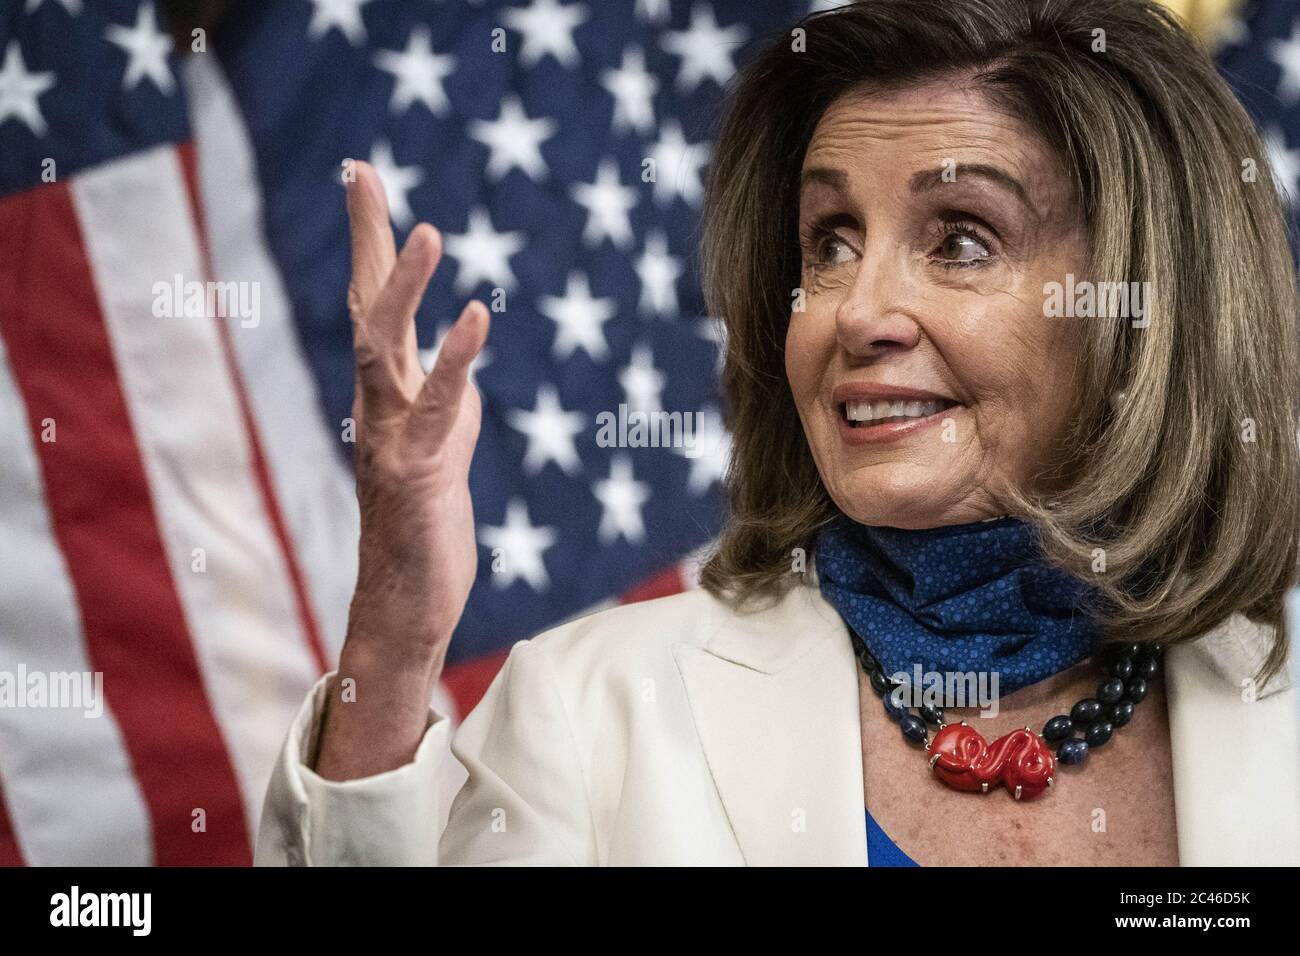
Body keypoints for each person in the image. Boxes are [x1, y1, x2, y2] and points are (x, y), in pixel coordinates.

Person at [256, 0, 1300, 866]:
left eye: (961, 239)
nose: (855, 310)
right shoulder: (592, 709)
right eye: (829, 241)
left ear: (1141, 307)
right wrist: (392, 636)